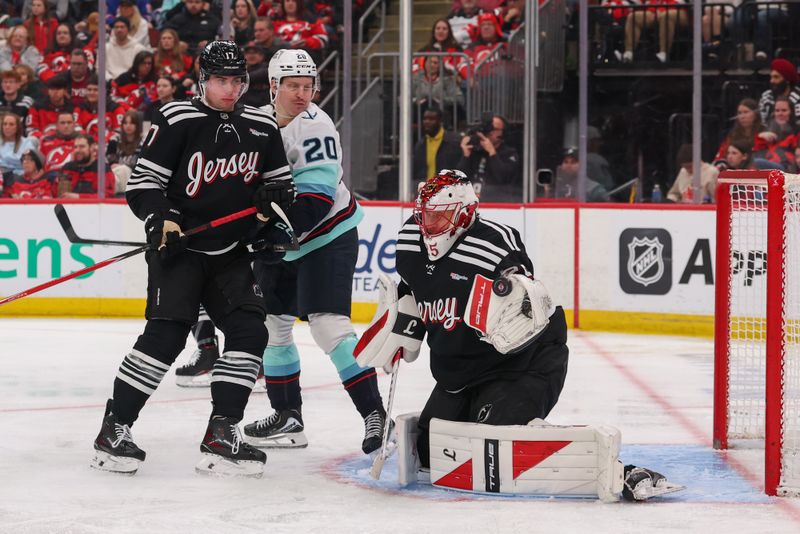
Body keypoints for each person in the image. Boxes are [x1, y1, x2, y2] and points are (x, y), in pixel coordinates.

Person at [90, 41, 294, 477]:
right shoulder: (176, 117)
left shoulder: (261, 127)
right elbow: (143, 183)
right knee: (165, 339)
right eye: (221, 80)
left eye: (237, 80)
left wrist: (270, 216)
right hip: (178, 250)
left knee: (249, 331)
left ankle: (223, 431)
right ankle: (115, 429)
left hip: (230, 254)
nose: (230, 89)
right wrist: (160, 218)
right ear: (203, 79)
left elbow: (280, 191)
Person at [361, 168, 569, 470]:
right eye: (424, 215)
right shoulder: (409, 240)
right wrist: (401, 330)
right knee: (430, 455)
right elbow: (413, 291)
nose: (428, 225)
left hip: (520, 366)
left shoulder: (495, 245)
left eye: (439, 216)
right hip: (459, 374)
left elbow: (529, 308)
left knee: (488, 452)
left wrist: (512, 295)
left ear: (464, 214)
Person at [242, 49, 389, 456]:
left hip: (326, 236)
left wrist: (271, 233)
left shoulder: (316, 126)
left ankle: (375, 413)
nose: (303, 94)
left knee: (328, 326)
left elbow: (316, 200)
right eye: (293, 86)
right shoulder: (257, 123)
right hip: (287, 240)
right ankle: (287, 416)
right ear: (274, 86)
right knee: (273, 326)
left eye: (308, 86)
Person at [456, 113, 521, 201]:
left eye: (494, 129)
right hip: (471, 203)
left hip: (497, 204)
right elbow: (459, 181)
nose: (489, 132)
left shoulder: (509, 153)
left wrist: (492, 152)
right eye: (488, 128)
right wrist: (466, 156)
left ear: (503, 133)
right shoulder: (475, 150)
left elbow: (503, 178)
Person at [412, 107, 463, 185]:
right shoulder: (420, 145)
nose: (427, 122)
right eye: (425, 119)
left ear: (440, 121)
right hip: (425, 191)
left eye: (432, 119)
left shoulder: (454, 142)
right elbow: (416, 171)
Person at [57, 133, 117, 198]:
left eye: (82, 147)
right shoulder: (68, 168)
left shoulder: (103, 169)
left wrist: (79, 197)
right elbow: (58, 194)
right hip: (69, 207)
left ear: (92, 147)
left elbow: (107, 196)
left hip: (94, 207)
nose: (77, 150)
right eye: (75, 147)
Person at [757, 58, 800, 125]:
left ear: (787, 80)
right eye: (771, 77)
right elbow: (762, 123)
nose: (772, 81)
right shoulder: (766, 97)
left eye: (776, 77)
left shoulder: (798, 98)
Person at [106, 16, 147, 80]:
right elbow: (100, 69)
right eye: (116, 27)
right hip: (109, 81)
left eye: (122, 27)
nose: (119, 30)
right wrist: (110, 80)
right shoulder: (105, 48)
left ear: (128, 29)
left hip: (131, 81)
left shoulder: (139, 49)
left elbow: (141, 69)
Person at [0, 111, 37, 178]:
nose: (7, 127)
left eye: (11, 124)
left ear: (17, 127)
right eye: (5, 124)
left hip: (19, 176)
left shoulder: (27, 143)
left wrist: (5, 159)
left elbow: (26, 163)